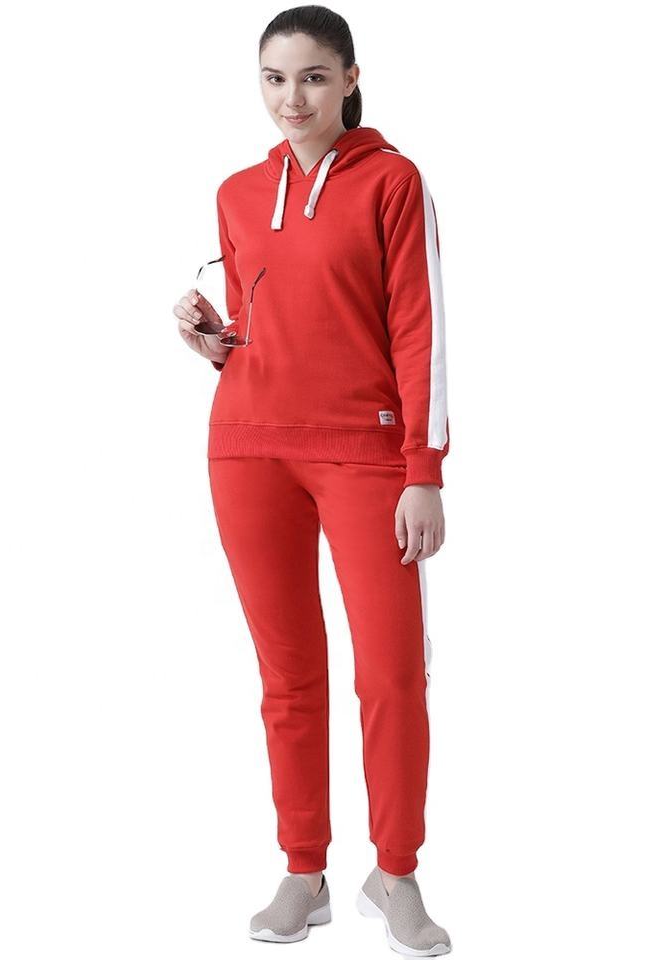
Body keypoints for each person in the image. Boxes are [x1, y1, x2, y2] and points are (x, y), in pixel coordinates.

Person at [175, 6, 452, 955]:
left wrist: (424, 470)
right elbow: (262, 324)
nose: (291, 99)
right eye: (274, 79)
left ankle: (396, 872)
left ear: (349, 79)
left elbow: (419, 330)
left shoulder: (393, 181)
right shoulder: (236, 192)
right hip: (247, 450)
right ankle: (304, 870)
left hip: (367, 455)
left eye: (312, 78)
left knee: (391, 674)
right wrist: (214, 342)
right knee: (287, 676)